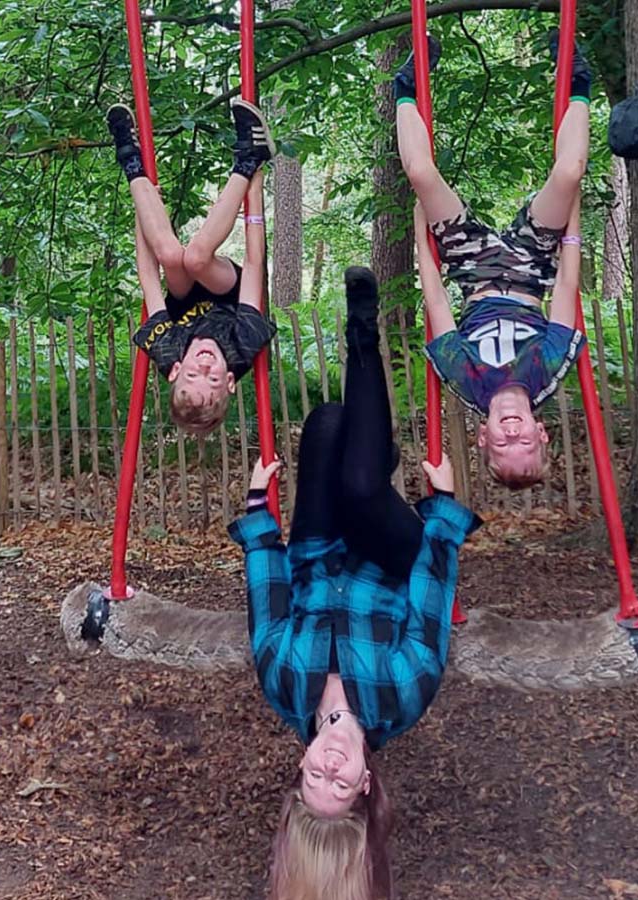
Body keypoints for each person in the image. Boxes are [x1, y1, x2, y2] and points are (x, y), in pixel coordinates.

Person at [229, 267, 480, 900]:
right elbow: (427, 601)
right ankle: (361, 331)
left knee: (329, 424)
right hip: (389, 560)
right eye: (341, 786)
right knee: (362, 485)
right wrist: (444, 513)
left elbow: (269, 601)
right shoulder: (402, 696)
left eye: (315, 779)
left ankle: (370, 448)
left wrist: (260, 514)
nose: (330, 767)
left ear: (301, 766)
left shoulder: (283, 684)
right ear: (365, 784)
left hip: (315, 551)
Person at [395, 32, 590, 489]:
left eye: (503, 444)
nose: (513, 433)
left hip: (473, 268)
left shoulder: (466, 379)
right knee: (568, 172)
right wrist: (571, 226)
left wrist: (424, 240)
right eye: (526, 442)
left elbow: (437, 305)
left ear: (483, 437)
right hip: (530, 266)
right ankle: (579, 81)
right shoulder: (549, 370)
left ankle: (404, 90)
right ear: (542, 432)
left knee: (421, 174)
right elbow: (565, 289)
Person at [106, 99, 277, 435]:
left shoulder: (166, 350)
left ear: (174, 371)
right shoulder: (243, 345)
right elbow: (254, 264)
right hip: (228, 290)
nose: (204, 363)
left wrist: (144, 212)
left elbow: (149, 281)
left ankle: (129, 160)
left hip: (182, 295)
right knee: (197, 257)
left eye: (192, 373)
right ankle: (248, 160)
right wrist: (254, 191)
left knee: (171, 255)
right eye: (212, 377)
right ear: (229, 380)